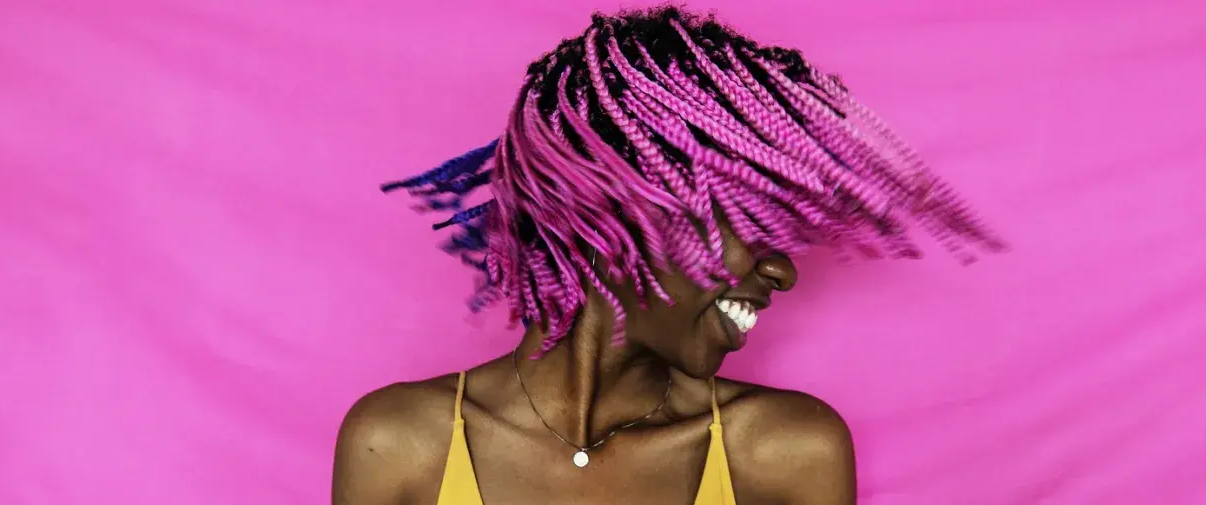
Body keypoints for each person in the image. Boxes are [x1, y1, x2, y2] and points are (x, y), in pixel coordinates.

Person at [333, 6, 1004, 505]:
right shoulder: (399, 444)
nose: (783, 269)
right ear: (622, 210)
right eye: (753, 221)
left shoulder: (784, 453)